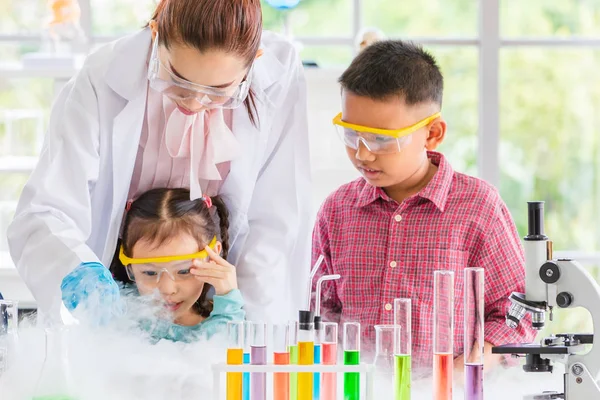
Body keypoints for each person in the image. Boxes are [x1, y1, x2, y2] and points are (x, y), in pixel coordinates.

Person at [8, 0, 311, 324]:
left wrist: (250, 328)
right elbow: (47, 211)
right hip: (121, 301)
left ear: (254, 62)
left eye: (218, 91)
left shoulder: (279, 76)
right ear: (155, 35)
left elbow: (274, 223)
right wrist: (79, 274)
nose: (195, 103)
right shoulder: (103, 78)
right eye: (178, 81)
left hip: (220, 303)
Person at [311, 40, 536, 370]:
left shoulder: (478, 207)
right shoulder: (337, 211)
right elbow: (321, 309)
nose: (362, 153)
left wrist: (466, 369)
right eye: (350, 135)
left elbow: (518, 312)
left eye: (381, 139)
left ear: (432, 133)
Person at [104, 188, 243, 342]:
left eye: (184, 271)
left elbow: (226, 358)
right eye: (150, 273)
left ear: (212, 257)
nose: (167, 289)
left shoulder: (231, 320)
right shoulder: (122, 322)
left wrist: (229, 305)